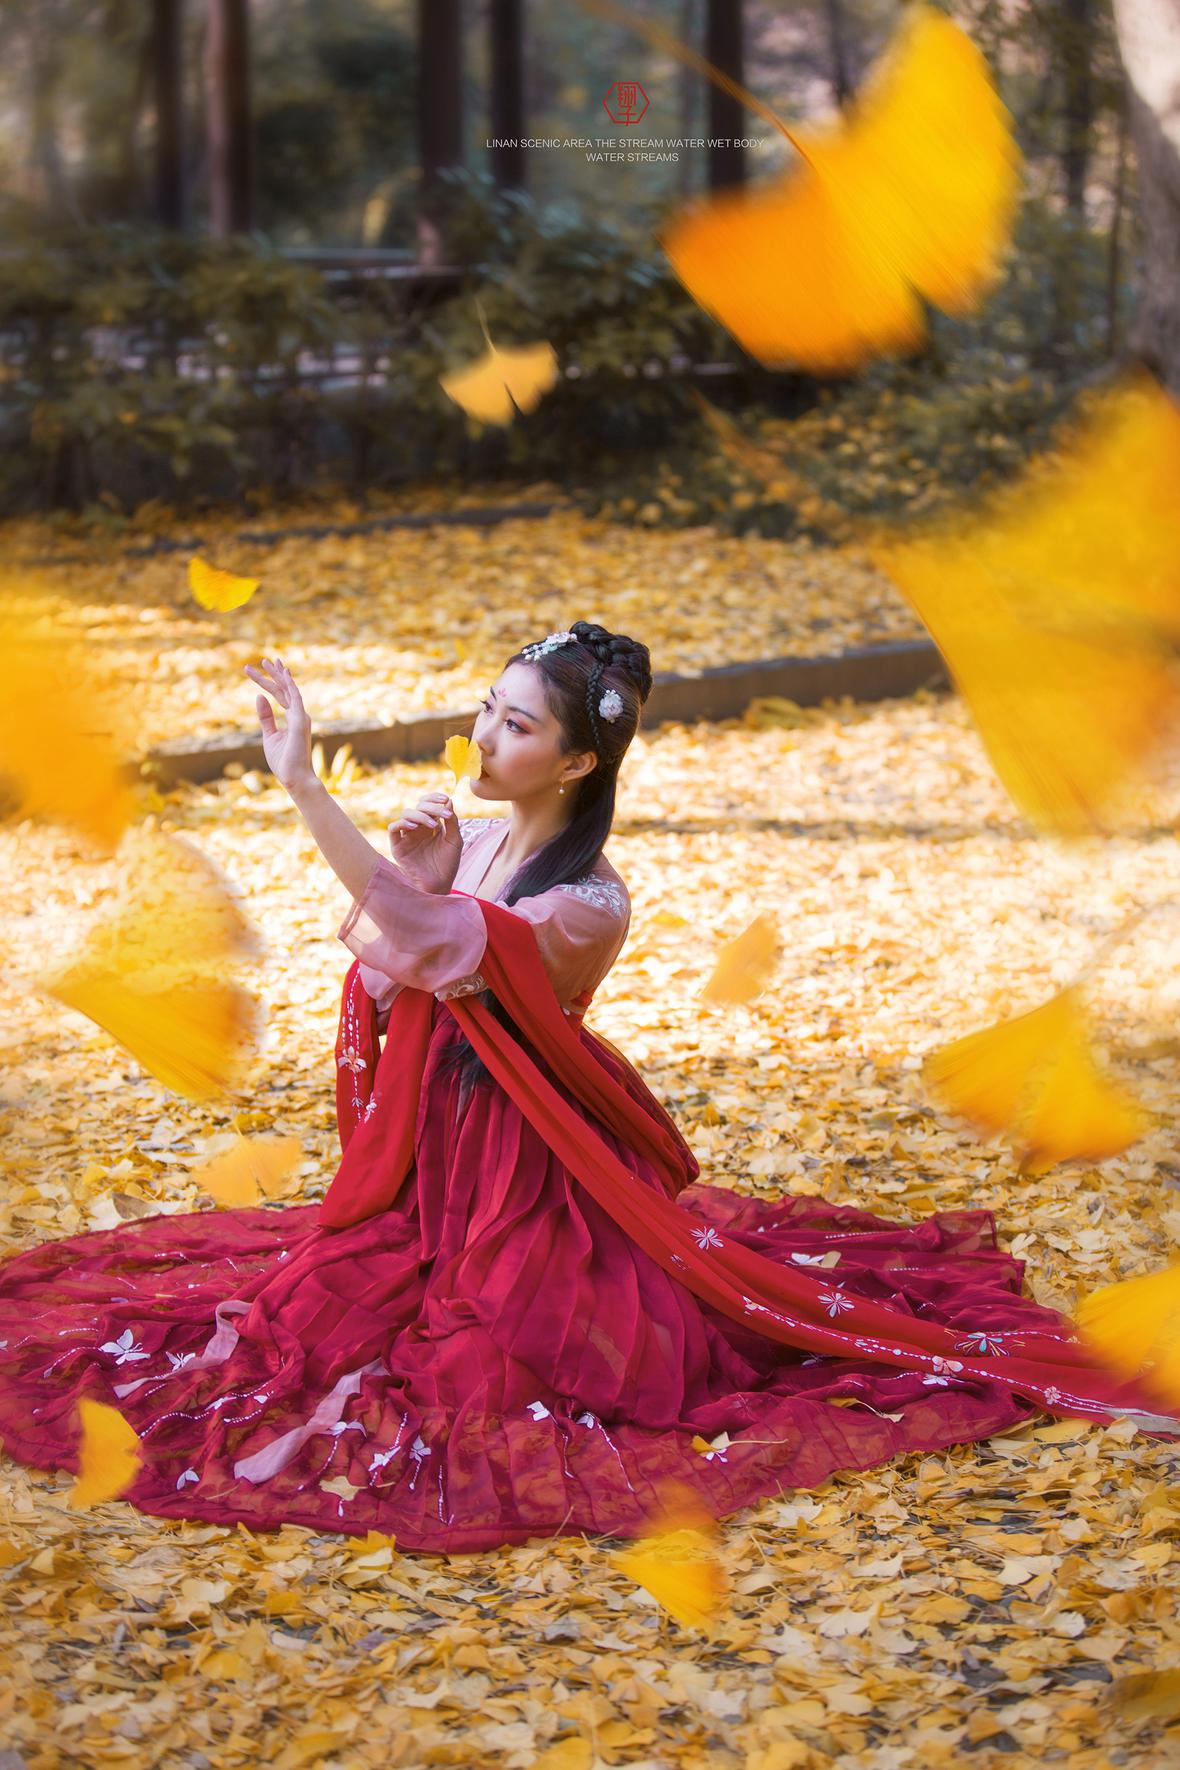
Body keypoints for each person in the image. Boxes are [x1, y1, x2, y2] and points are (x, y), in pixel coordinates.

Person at [0, 623, 1166, 1555]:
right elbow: (393, 973)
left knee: (485, 1361)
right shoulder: (481, 845)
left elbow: (438, 950)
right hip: (439, 1140)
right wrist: (424, 874)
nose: (484, 736)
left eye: (516, 726)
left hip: (521, 1155)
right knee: (306, 1311)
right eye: (488, 710)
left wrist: (308, 788)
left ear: (574, 763)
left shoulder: (584, 903)